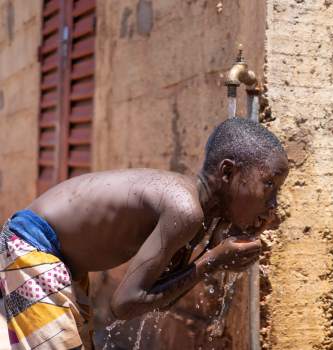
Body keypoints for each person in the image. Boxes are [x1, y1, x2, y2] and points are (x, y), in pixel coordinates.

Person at [0, 117, 289, 349]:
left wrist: (225, 240)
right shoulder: (185, 209)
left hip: (57, 257)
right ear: (227, 173)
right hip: (33, 244)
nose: (274, 204)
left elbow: (162, 296)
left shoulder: (196, 214)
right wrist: (212, 261)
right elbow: (124, 305)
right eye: (269, 185)